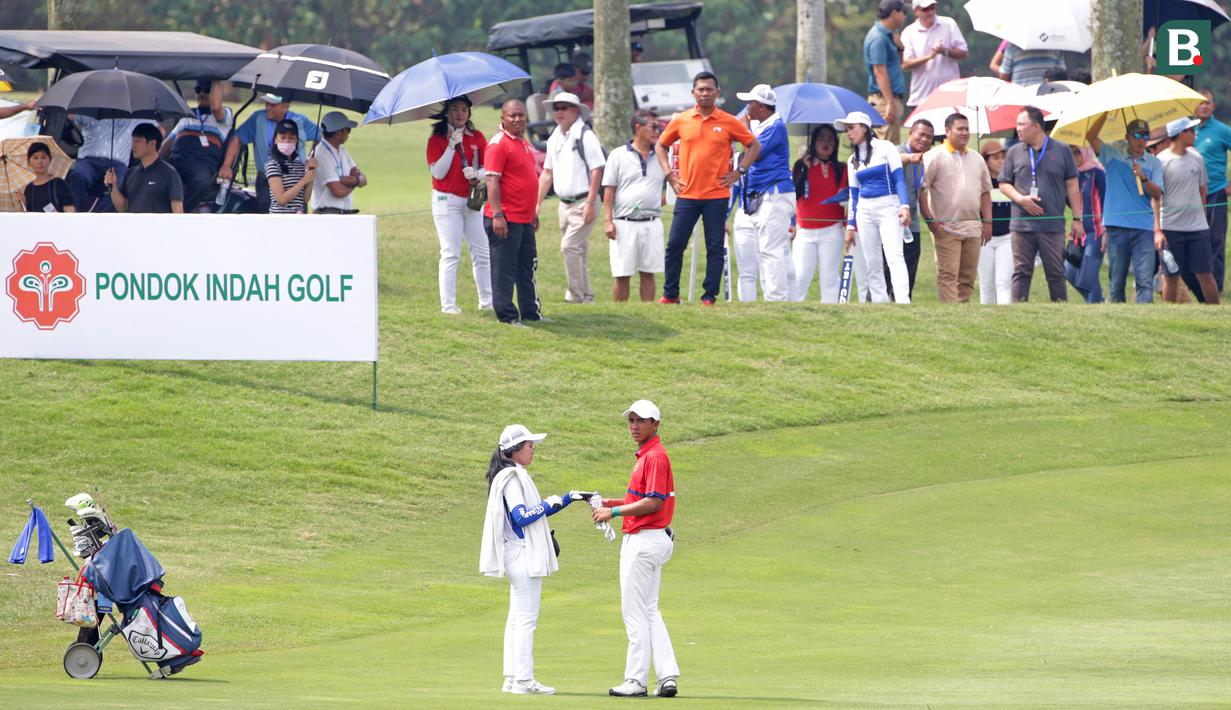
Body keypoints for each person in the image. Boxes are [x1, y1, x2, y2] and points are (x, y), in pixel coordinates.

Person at [479, 424, 583, 695]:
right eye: (529, 445)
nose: (532, 449)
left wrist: (561, 501)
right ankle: (524, 680)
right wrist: (557, 501)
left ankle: (513, 677)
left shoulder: (509, 474)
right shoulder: (513, 477)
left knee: (517, 618)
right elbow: (521, 516)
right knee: (526, 619)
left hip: (516, 554)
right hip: (521, 553)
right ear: (515, 450)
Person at [592, 400, 680, 699]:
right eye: (631, 420)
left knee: (634, 612)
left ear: (655, 424)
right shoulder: (648, 456)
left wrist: (613, 514)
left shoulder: (654, 457)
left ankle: (636, 680)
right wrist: (612, 504)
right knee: (649, 609)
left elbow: (653, 502)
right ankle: (667, 676)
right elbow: (642, 498)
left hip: (644, 541)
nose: (634, 425)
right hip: (653, 538)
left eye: (641, 420)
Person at [655, 72, 760, 305]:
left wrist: (739, 171)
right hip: (687, 194)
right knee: (674, 245)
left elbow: (753, 145)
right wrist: (669, 175)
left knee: (714, 247)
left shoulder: (728, 121)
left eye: (709, 89)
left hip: (717, 195)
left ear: (717, 93)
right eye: (700, 89)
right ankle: (670, 294)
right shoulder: (682, 120)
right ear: (693, 93)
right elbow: (661, 145)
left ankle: (709, 296)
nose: (704, 93)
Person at [998, 106, 1083, 302]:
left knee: (1056, 272)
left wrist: (1077, 219)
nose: (1017, 128)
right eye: (1017, 124)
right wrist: (1021, 199)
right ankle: (1019, 313)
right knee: (1021, 272)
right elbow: (1003, 183)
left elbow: (1072, 185)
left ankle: (1060, 312)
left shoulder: (1062, 150)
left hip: (1052, 224)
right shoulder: (1013, 151)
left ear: (1036, 126)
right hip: (1022, 224)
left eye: (1022, 124)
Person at [427, 97, 493, 315]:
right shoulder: (436, 139)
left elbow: (488, 168)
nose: (460, 114)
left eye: (464, 110)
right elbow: (438, 172)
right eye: (455, 109)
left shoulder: (477, 137)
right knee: (450, 252)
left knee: (482, 252)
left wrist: (477, 174)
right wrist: (450, 146)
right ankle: (448, 305)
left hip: (472, 199)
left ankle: (487, 301)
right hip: (447, 201)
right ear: (447, 112)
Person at [538, 91, 605, 304]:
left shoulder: (585, 135)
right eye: (556, 108)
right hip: (564, 204)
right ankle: (587, 296)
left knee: (569, 247)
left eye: (564, 107)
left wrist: (590, 203)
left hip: (584, 200)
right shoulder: (554, 137)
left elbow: (597, 170)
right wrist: (536, 205)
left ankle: (575, 294)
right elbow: (547, 174)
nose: (559, 112)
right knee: (578, 250)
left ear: (576, 111)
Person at [1086, 117, 1162, 304]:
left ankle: (1145, 322)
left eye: (1145, 135)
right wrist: (1104, 113)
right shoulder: (1112, 155)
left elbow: (1157, 194)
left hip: (1143, 227)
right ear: (1127, 137)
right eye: (1137, 135)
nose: (1141, 140)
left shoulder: (1154, 163)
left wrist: (1144, 178)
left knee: (1144, 281)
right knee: (1117, 282)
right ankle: (1118, 322)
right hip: (1116, 227)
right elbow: (1091, 136)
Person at [839, 111, 912, 304]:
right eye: (847, 129)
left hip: (889, 205)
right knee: (872, 261)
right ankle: (880, 302)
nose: (848, 133)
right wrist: (850, 227)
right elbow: (853, 195)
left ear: (864, 127)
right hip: (865, 210)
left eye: (852, 128)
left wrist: (904, 206)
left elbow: (899, 179)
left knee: (894, 255)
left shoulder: (886, 147)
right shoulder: (852, 160)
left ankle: (903, 301)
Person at [733, 84, 796, 302]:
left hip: (775, 193)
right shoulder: (765, 126)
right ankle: (772, 298)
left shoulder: (775, 126)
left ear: (760, 106)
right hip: (764, 195)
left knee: (770, 249)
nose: (746, 108)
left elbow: (755, 151)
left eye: (749, 103)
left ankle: (776, 300)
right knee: (765, 250)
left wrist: (744, 130)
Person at [919, 113, 992, 303]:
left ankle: (962, 316)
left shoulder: (977, 158)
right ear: (947, 131)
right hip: (945, 228)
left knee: (967, 279)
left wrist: (988, 222)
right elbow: (920, 190)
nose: (965, 133)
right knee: (948, 276)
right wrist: (929, 220)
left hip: (973, 228)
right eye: (960, 129)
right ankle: (950, 315)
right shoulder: (933, 157)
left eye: (967, 129)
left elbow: (985, 192)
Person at [485, 99, 544, 324]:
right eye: (512, 116)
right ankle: (507, 316)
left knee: (526, 267)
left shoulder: (522, 141)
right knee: (504, 269)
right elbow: (492, 180)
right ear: (503, 118)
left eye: (521, 115)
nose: (518, 119)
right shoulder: (498, 144)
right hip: (505, 217)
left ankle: (531, 312)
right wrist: (498, 214)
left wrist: (532, 213)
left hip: (524, 217)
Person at [602, 110, 667, 302]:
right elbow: (609, 190)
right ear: (638, 128)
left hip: (652, 222)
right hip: (624, 223)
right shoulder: (618, 155)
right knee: (622, 273)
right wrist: (608, 221)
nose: (658, 131)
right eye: (653, 127)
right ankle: (621, 315)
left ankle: (647, 312)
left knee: (648, 272)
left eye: (659, 127)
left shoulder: (662, 154)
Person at [221, 94, 319, 213]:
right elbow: (237, 138)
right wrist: (226, 165)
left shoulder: (300, 120)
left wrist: (310, 159)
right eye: (267, 103)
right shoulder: (258, 118)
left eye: (273, 104)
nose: (268, 107)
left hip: (296, 176)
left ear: (286, 106)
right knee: (267, 216)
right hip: (266, 179)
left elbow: (320, 136)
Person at [1158, 117, 1220, 304]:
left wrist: (1202, 217)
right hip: (1170, 227)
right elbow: (1156, 197)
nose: (1195, 134)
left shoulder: (1197, 158)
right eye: (1191, 131)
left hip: (1197, 228)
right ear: (1181, 134)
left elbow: (1202, 190)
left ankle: (1216, 313)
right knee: (1172, 275)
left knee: (1205, 273)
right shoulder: (1161, 161)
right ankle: (1168, 314)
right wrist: (1158, 229)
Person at [791, 124, 855, 302]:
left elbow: (844, 199)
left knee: (830, 278)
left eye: (830, 139)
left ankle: (831, 313)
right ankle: (794, 311)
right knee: (800, 275)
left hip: (832, 230)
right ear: (813, 142)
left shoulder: (841, 168)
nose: (826, 143)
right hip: (805, 229)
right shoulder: (800, 165)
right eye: (821, 139)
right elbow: (793, 195)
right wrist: (803, 170)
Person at [161, 79, 232, 211]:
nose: (202, 94)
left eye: (207, 91)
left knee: (201, 182)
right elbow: (169, 142)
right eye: (199, 90)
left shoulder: (224, 116)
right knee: (156, 176)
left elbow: (216, 106)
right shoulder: (186, 115)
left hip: (201, 163)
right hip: (177, 159)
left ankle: (181, 212)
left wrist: (216, 78)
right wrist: (155, 159)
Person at [66, 116, 156, 212]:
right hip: (88, 161)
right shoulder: (94, 108)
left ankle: (98, 217)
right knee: (77, 175)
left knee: (119, 185)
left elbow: (159, 130)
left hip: (116, 163)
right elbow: (70, 117)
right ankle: (72, 214)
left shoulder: (134, 116)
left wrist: (147, 151)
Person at [899, 0, 968, 112]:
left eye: (933, 8)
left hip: (950, 96)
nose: (930, 12)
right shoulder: (909, 32)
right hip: (921, 96)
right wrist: (929, 57)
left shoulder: (949, 24)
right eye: (926, 9)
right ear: (916, 11)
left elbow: (963, 52)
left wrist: (944, 51)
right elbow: (905, 64)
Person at [1193, 89, 1231, 294]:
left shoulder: (1222, 130)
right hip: (1190, 195)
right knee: (1194, 238)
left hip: (1215, 191)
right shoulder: (1188, 130)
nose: (1204, 106)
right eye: (1201, 103)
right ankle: (1196, 283)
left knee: (1215, 239)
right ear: (1194, 106)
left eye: (1208, 103)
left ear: (1213, 107)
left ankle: (1216, 285)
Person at [103, 123, 183, 214]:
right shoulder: (130, 173)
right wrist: (113, 186)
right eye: (133, 141)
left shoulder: (169, 173)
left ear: (152, 143)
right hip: (133, 227)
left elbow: (178, 211)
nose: (133, 146)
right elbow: (123, 208)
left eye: (138, 141)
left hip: (158, 227)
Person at [895, 118, 934, 301]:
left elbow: (921, 193)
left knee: (910, 268)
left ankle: (905, 303)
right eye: (921, 134)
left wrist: (931, 221)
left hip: (914, 224)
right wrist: (911, 158)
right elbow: (897, 161)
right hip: (894, 221)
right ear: (910, 133)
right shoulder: (897, 152)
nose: (925, 140)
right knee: (890, 267)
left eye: (929, 137)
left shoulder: (924, 160)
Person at [1063, 145, 1107, 303]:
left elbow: (1106, 201)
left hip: (1096, 231)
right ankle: (1098, 302)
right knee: (1069, 272)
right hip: (1078, 231)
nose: (1074, 157)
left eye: (1077, 152)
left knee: (1087, 276)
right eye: (1071, 153)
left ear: (1085, 152)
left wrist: (1106, 232)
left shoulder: (1097, 173)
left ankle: (1096, 306)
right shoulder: (1071, 177)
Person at [864, 0, 909, 144]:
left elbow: (900, 64)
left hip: (889, 98)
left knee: (892, 147)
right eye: (904, 12)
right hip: (884, 100)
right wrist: (890, 102)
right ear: (894, 12)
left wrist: (900, 47)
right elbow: (879, 72)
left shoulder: (890, 36)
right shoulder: (878, 37)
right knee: (885, 147)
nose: (905, 17)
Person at [311, 111, 367, 214]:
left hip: (342, 213)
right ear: (338, 134)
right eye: (348, 130)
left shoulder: (342, 150)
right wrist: (356, 182)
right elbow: (338, 191)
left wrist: (348, 180)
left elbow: (361, 177)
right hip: (327, 214)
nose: (349, 133)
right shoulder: (320, 155)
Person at [979, 141, 1013, 304]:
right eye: (996, 158)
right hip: (984, 239)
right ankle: (987, 319)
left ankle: (1005, 316)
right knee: (987, 284)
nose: (1001, 161)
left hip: (1007, 237)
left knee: (1004, 282)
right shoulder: (978, 183)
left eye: (1003, 157)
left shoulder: (1011, 181)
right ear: (985, 161)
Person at [264, 119, 316, 214]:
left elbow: (305, 198)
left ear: (296, 140)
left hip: (297, 219)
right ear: (275, 140)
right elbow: (281, 199)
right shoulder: (273, 165)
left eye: (291, 138)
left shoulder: (299, 165)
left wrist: (311, 172)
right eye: (283, 138)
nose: (287, 141)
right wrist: (304, 180)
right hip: (281, 220)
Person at [20, 142, 75, 213]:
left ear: (50, 160)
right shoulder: (28, 189)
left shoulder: (59, 184)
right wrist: (23, 203)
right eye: (35, 158)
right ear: (29, 162)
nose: (40, 161)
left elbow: (70, 212)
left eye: (44, 157)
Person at [998, 44, 1066, 88]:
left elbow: (1004, 76)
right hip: (1048, 94)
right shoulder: (1055, 48)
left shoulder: (1012, 48)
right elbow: (1061, 74)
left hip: (1021, 95)